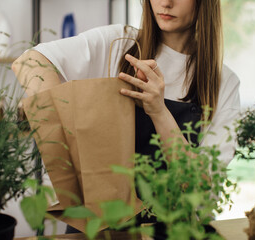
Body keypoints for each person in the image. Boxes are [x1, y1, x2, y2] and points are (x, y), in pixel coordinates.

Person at [12, 0, 240, 238]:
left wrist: (159, 111)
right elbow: (29, 63)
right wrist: (69, 135)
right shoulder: (118, 43)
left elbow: (201, 187)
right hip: (97, 229)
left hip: (170, 231)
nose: (165, 2)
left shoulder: (223, 83)